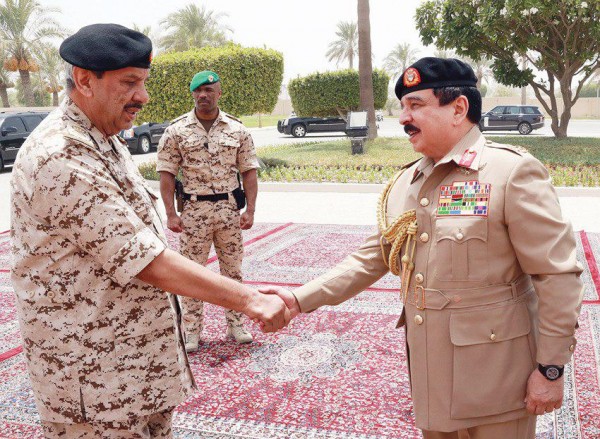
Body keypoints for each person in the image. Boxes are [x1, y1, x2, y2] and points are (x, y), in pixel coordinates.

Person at [262, 57, 584, 439]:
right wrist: (298, 299)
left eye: (415, 105)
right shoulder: (409, 181)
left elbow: (556, 275)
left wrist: (551, 369)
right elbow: (374, 256)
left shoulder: (510, 173)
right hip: (433, 374)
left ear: (458, 109)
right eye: (402, 107)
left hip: (498, 380)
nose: (403, 118)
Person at [10, 24, 289, 439]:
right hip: (95, 387)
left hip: (134, 374)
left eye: (143, 82)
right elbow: (144, 259)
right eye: (129, 83)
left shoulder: (103, 137)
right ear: (84, 80)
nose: (143, 96)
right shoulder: (61, 153)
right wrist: (250, 299)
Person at [157, 70, 259, 350]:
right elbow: (166, 174)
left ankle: (236, 324)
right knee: (191, 274)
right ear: (193, 94)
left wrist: (250, 210)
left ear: (219, 93)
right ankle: (192, 330)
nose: (203, 95)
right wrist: (171, 213)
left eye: (209, 90)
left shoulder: (237, 130)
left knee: (233, 271)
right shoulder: (176, 131)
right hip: (193, 212)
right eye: (198, 91)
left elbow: (249, 172)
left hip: (228, 211)